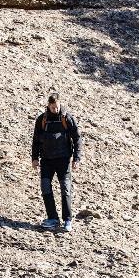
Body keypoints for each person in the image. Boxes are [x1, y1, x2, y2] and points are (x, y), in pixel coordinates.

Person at [31, 93, 81, 232]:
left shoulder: (67, 118)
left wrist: (76, 158)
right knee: (45, 187)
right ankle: (52, 218)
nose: (55, 110)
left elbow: (77, 139)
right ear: (48, 105)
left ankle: (67, 220)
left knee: (65, 189)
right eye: (53, 107)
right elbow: (35, 140)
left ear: (60, 104)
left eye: (57, 107)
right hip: (46, 159)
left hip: (63, 160)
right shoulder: (42, 120)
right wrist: (34, 158)